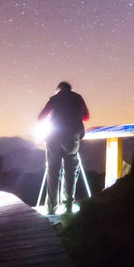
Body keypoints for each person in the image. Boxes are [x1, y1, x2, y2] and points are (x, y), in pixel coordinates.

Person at [38, 81, 89, 214]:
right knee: (70, 171)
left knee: (53, 171)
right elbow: (86, 116)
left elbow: (41, 117)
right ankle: (68, 206)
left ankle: (51, 207)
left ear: (58, 90)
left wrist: (52, 117)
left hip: (53, 137)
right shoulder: (78, 98)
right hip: (72, 137)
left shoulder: (55, 98)